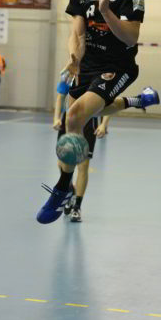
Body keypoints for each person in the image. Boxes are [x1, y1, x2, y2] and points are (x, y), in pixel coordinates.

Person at [37, 0, 160, 224]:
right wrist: (74, 58)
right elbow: (77, 34)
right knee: (71, 133)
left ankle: (62, 190)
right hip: (87, 67)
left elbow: (131, 37)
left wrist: (106, 11)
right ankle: (137, 101)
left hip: (117, 67)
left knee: (74, 116)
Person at [52, 70, 110, 222]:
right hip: (68, 120)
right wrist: (56, 118)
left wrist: (103, 124)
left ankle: (77, 206)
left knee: (83, 166)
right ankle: (70, 190)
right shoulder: (70, 72)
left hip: (88, 122)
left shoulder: (100, 73)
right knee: (62, 163)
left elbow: (109, 101)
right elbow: (60, 96)